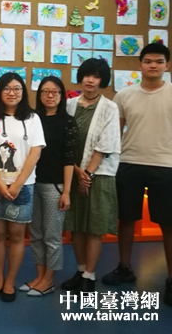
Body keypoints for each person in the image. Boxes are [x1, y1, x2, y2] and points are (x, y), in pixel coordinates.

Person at [106, 43, 172, 306]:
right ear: (140, 65)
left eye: (159, 61)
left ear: (167, 65)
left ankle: (171, 279)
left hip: (166, 165)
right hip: (129, 163)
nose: (153, 65)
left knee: (168, 224)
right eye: (148, 61)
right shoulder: (124, 95)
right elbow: (114, 132)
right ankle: (124, 267)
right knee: (126, 219)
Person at [61, 58, 120, 293]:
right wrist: (77, 171)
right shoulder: (69, 105)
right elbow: (64, 142)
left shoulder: (110, 108)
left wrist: (87, 174)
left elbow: (106, 144)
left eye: (96, 76)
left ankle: (90, 276)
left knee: (94, 227)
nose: (90, 80)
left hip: (100, 174)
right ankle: (80, 270)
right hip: (72, 174)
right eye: (87, 75)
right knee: (75, 225)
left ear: (102, 81)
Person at [0, 73, 45, 302]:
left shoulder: (32, 118)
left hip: (23, 187)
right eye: (7, 88)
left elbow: (35, 152)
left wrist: (18, 184)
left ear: (23, 92)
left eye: (17, 88)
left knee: (18, 236)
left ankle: (10, 281)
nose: (12, 93)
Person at [23, 76, 77, 297]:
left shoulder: (68, 122)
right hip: (32, 183)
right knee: (35, 234)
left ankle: (49, 280)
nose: (50, 95)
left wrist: (66, 191)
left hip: (55, 186)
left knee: (52, 236)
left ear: (62, 95)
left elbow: (69, 159)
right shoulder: (32, 119)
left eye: (55, 92)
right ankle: (39, 275)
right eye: (45, 91)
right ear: (39, 95)